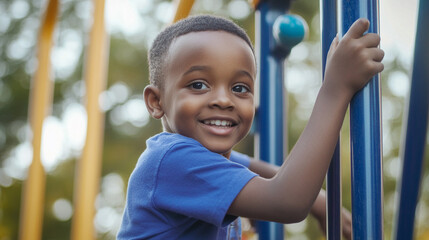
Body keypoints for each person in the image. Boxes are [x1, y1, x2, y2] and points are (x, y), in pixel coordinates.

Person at [117, 14, 383, 239]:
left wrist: (321, 202)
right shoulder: (171, 160)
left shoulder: (205, 160)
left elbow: (252, 167)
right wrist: (335, 89)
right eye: (198, 85)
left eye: (239, 88)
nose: (223, 100)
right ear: (156, 101)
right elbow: (288, 202)